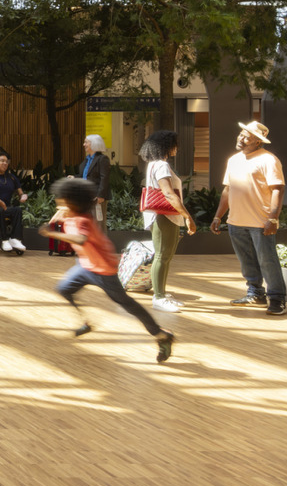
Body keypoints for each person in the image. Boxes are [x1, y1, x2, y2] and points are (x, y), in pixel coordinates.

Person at [40, 177, 173, 363]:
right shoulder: (70, 212)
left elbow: (81, 240)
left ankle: (161, 335)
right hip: (86, 266)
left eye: (62, 199)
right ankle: (86, 324)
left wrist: (52, 233)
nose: (58, 202)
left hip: (104, 270)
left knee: (127, 304)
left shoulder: (82, 220)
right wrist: (58, 215)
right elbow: (60, 215)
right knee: (63, 289)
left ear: (72, 202)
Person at [213, 119, 287, 314]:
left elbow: (278, 190)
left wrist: (272, 218)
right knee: (246, 261)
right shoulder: (233, 160)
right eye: (241, 135)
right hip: (236, 221)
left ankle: (277, 298)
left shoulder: (268, 159)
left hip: (260, 221)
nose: (242, 139)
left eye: (248, 137)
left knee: (267, 260)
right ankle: (255, 293)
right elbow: (228, 190)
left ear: (258, 142)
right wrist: (218, 216)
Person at [137, 131, 195, 312]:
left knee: (165, 255)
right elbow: (169, 193)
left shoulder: (154, 165)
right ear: (167, 146)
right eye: (175, 144)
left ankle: (161, 293)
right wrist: (188, 217)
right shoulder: (161, 165)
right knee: (163, 255)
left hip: (162, 215)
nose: (177, 147)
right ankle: (159, 297)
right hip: (164, 216)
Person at [79, 134, 113, 212]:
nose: (84, 145)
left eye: (86, 142)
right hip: (85, 195)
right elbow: (85, 176)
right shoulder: (87, 159)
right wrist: (74, 177)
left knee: (98, 221)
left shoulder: (102, 159)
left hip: (96, 197)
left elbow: (104, 178)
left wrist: (100, 195)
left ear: (94, 143)